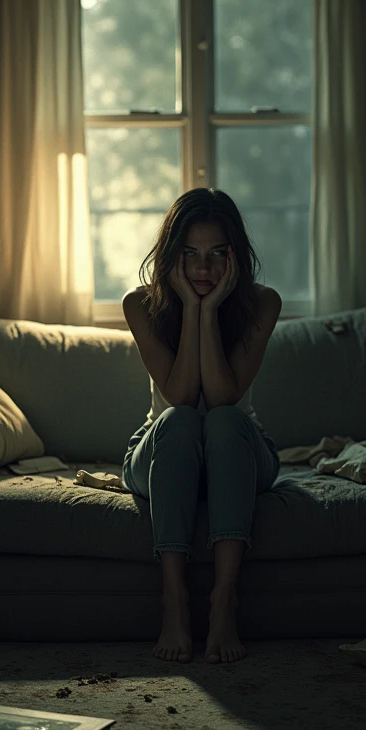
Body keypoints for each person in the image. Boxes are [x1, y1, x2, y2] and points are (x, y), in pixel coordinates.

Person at [121, 187, 282, 665]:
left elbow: (224, 397)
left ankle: (224, 600)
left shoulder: (262, 303)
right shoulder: (140, 305)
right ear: (171, 257)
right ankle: (173, 599)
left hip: (238, 448)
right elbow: (182, 398)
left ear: (236, 257)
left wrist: (209, 312)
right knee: (181, 421)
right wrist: (191, 308)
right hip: (165, 446)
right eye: (189, 255)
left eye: (217, 255)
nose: (203, 270)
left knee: (224, 421)